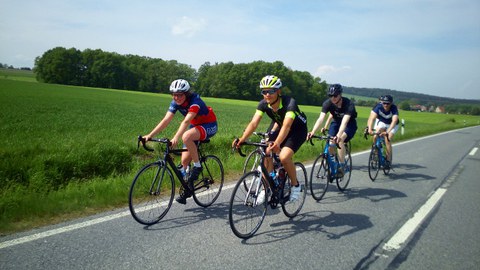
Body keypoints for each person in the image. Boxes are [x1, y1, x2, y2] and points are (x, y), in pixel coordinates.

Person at [232, 75, 308, 202]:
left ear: (278, 91)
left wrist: (277, 143)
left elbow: (287, 125)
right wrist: (242, 139)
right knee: (266, 151)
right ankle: (267, 185)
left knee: (284, 157)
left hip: (297, 130)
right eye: (264, 91)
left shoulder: (290, 103)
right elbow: (253, 123)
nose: (267, 94)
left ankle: (295, 186)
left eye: (271, 91)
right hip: (280, 125)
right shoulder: (263, 104)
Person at [143, 79, 218, 204]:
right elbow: (166, 120)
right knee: (183, 162)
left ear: (186, 93)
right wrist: (150, 135)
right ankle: (188, 186)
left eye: (180, 95)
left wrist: (176, 137)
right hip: (195, 126)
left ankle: (198, 166)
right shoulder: (176, 102)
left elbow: (186, 122)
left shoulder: (195, 102)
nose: (176, 97)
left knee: (186, 136)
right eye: (174, 94)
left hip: (209, 125)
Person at [307, 84, 357, 177]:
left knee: (340, 139)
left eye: (335, 95)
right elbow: (321, 118)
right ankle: (334, 162)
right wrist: (312, 132)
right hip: (336, 122)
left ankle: (342, 166)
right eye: (330, 96)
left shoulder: (348, 104)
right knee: (330, 142)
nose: (333, 98)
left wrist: (338, 135)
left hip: (349, 124)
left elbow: (345, 122)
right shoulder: (327, 103)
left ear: (340, 94)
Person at [366, 95, 399, 168]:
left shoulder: (394, 108)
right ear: (382, 103)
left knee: (387, 139)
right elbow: (372, 118)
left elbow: (394, 121)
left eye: (388, 103)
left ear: (391, 103)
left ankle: (388, 160)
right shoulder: (378, 107)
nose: (386, 105)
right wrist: (370, 129)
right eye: (384, 103)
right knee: (375, 136)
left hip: (392, 125)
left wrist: (387, 132)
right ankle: (375, 154)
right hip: (383, 122)